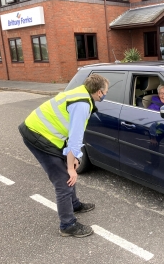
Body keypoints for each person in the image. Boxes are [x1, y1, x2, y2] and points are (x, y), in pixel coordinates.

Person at [18, 73, 109, 238]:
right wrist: (71, 167)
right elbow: (74, 139)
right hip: (37, 136)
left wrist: (74, 160)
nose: (105, 94)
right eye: (106, 91)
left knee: (68, 168)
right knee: (64, 180)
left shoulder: (81, 92)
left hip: (46, 134)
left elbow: (69, 133)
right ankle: (67, 225)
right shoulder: (82, 105)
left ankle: (74, 204)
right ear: (99, 92)